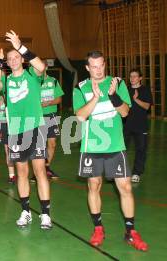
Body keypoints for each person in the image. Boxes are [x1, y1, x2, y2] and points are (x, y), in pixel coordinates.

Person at [73, 50, 148, 251]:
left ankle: (131, 231)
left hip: (115, 146)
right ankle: (98, 228)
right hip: (91, 147)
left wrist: (113, 96)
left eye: (101, 65)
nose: (98, 70)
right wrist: (95, 98)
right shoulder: (80, 88)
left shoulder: (118, 83)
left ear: (105, 64)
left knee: (125, 188)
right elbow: (80, 116)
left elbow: (125, 112)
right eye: (93, 66)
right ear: (87, 67)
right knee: (94, 186)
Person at [0, 30, 52, 229]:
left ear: (22, 59)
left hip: (36, 128)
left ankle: (45, 214)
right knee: (21, 172)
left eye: (16, 57)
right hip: (16, 132)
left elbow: (41, 66)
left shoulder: (33, 75)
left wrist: (21, 46)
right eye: (10, 58)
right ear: (7, 63)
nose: (14, 60)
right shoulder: (7, 81)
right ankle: (25, 211)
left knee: (40, 171)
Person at [124, 68, 153, 183]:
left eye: (135, 76)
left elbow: (147, 107)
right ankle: (121, 171)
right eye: (131, 76)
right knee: (121, 149)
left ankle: (136, 173)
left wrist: (136, 99)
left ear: (140, 78)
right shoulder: (126, 89)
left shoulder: (145, 90)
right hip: (127, 125)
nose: (132, 78)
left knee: (140, 149)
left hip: (141, 126)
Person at [39, 69, 64, 179]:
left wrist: (48, 102)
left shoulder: (53, 81)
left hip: (51, 116)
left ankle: (46, 168)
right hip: (37, 116)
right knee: (39, 145)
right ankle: (38, 171)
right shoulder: (33, 82)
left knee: (52, 143)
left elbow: (59, 99)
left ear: (45, 68)